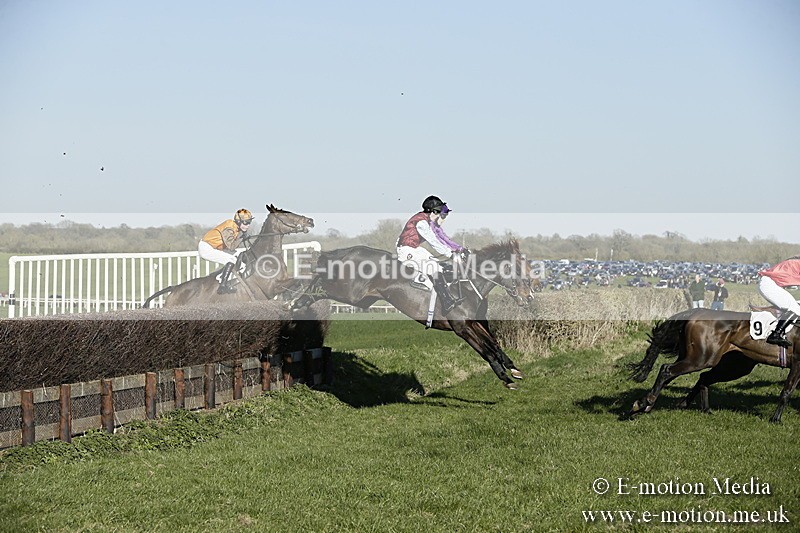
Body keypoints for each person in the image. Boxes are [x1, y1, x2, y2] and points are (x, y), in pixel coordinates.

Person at [396, 196, 466, 314]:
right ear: (433, 211)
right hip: (406, 250)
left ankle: (444, 296)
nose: (439, 216)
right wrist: (451, 255)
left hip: (414, 248)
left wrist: (457, 250)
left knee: (439, 267)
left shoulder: (426, 220)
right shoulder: (421, 223)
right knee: (432, 267)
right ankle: (446, 302)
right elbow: (434, 242)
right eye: (438, 212)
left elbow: (441, 239)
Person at [199, 208, 254, 293]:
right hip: (206, 248)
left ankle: (225, 278)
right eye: (246, 222)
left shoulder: (236, 227)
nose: (248, 225)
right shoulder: (229, 227)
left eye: (249, 222)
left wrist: (242, 237)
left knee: (238, 255)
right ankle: (222, 284)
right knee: (232, 260)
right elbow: (231, 246)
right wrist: (242, 238)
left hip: (215, 247)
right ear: (238, 221)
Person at [757, 257, 800, 347]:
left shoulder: (795, 262)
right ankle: (775, 335)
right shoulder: (795, 263)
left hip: (769, 284)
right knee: (795, 309)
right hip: (769, 285)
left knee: (795, 306)